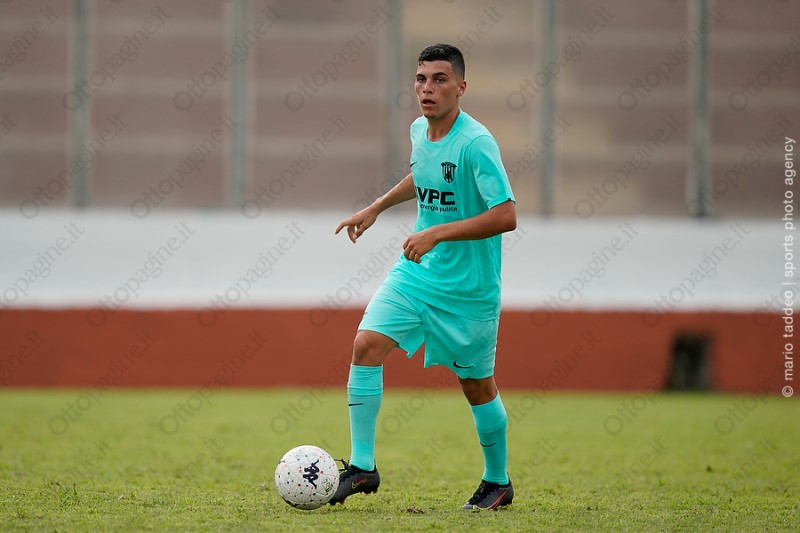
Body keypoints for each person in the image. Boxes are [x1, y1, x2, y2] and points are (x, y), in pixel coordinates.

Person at [331, 43, 517, 510]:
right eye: (420, 79)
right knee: (365, 345)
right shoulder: (419, 130)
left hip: (469, 290)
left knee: (477, 386)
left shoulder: (476, 143)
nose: (427, 88)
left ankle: (498, 481)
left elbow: (507, 215)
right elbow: (424, 176)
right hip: (416, 275)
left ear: (461, 87)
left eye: (439, 79)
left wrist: (436, 233)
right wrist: (376, 207)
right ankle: (363, 467)